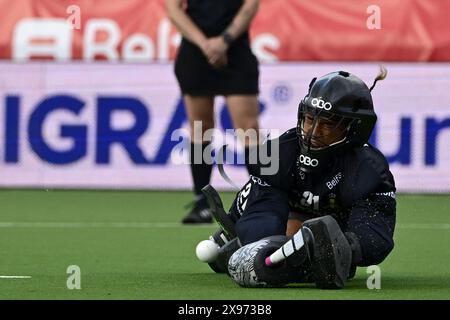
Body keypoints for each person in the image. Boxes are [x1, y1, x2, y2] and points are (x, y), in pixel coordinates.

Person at [201, 69, 396, 289]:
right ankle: (233, 228)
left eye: (327, 124)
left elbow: (375, 238)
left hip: (338, 222)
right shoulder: (281, 153)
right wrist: (266, 247)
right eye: (310, 119)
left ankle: (234, 242)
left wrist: (342, 249)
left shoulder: (369, 169)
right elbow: (262, 216)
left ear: (354, 129)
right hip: (288, 210)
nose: (313, 132)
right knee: (255, 218)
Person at [166, 0, 261, 224]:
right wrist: (205, 44)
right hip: (195, 51)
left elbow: (250, 5)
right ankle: (202, 203)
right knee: (200, 128)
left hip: (235, 51)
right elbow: (173, 9)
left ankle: (263, 199)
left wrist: (224, 40)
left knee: (249, 130)